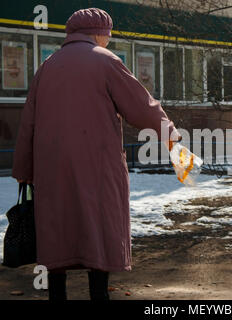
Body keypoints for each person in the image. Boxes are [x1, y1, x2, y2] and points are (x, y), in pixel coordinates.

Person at [12, 8, 181, 300]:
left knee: (57, 238)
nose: (109, 41)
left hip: (51, 172)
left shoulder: (47, 66)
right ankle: (98, 294)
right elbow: (141, 107)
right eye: (109, 35)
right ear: (99, 33)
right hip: (98, 168)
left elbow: (28, 124)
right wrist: (170, 135)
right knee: (98, 233)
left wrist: (24, 171)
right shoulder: (105, 61)